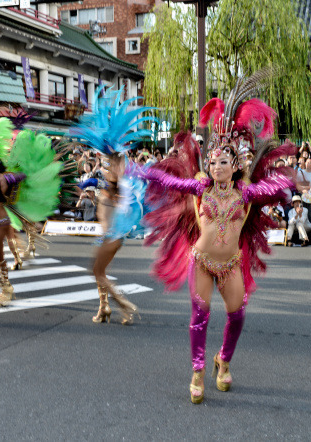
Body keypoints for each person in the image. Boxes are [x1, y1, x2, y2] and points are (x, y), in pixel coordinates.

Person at [139, 73, 296, 404]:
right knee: (201, 314)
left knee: (237, 315)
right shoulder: (200, 187)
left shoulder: (247, 193)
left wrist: (290, 181)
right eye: (212, 161)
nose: (216, 166)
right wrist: (148, 171)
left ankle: (222, 361)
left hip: (231, 264)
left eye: (223, 161)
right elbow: (172, 182)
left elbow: (274, 186)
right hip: (201, 261)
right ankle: (197, 371)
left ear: (235, 164)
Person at [71, 85, 153, 326]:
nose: (105, 168)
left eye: (110, 165)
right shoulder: (109, 187)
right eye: (104, 164)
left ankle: (123, 305)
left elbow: (118, 215)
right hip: (107, 235)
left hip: (112, 236)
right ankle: (103, 307)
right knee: (99, 273)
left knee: (97, 272)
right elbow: (93, 184)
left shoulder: (121, 190)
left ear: (120, 167)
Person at [0, 116, 64, 306]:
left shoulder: (3, 179)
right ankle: (7, 287)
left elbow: (22, 175)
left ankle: (6, 288)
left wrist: (20, 171)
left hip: (1, 223)